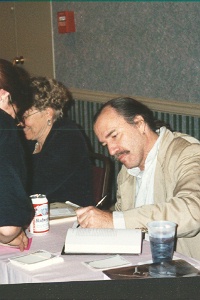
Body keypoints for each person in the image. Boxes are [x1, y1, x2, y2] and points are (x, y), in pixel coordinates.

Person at [76, 97, 200, 260]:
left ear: (140, 124)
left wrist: (115, 221)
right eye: (105, 145)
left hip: (185, 271)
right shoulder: (127, 170)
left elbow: (192, 211)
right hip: (140, 264)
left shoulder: (187, 153)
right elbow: (123, 218)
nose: (112, 151)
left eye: (114, 136)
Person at [22, 76, 94, 206]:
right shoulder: (31, 139)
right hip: (42, 213)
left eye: (25, 116)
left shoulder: (68, 137)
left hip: (72, 217)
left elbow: (36, 188)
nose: (21, 122)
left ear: (48, 113)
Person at [0, 59, 34, 251]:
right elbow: (7, 227)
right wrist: (6, 238)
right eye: (15, 113)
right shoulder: (4, 125)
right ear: (4, 97)